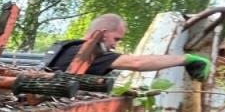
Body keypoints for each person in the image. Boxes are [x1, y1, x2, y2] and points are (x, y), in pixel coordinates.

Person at [46, 13, 212, 79]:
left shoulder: (66, 47)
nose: (114, 46)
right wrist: (185, 59)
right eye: (116, 39)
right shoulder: (87, 54)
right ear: (102, 33)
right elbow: (136, 63)